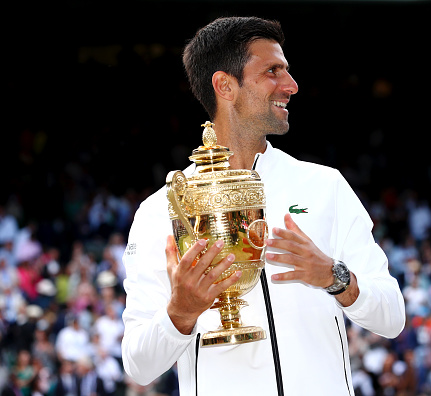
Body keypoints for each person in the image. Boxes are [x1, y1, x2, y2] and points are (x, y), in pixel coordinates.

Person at [121, 16, 406, 396]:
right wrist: (182, 311)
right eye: (272, 71)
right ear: (225, 85)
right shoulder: (162, 209)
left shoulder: (325, 185)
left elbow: (392, 318)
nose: (291, 86)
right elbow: (139, 366)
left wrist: (334, 277)